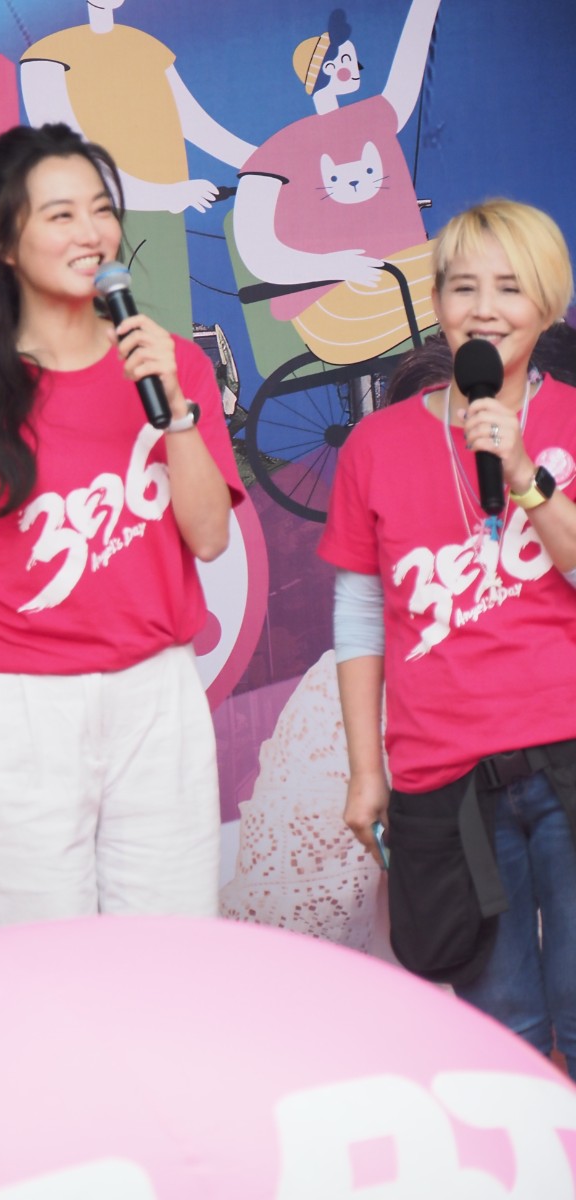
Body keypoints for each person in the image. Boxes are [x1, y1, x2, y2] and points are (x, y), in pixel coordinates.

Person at [0, 123, 244, 929]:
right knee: (37, 968)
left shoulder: (173, 365)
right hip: (21, 709)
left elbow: (209, 538)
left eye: (100, 209)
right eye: (60, 215)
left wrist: (176, 412)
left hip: (157, 696)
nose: (91, 232)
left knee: (173, 958)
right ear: (1, 244)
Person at [321, 198, 576, 1075]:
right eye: (464, 287)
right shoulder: (375, 446)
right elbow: (360, 616)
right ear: (437, 303)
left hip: (568, 755)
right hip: (447, 777)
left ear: (548, 305)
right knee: (500, 1032)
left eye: (510, 287)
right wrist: (366, 771)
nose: (485, 309)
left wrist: (523, 473)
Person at [20, 0, 255, 335]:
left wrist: (273, 161)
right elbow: (73, 156)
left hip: (162, 218)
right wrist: (163, 194)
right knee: (104, 333)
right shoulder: (47, 57)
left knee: (168, 332)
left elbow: (196, 125)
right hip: (95, 221)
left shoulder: (148, 48)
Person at [233, 0, 441, 366]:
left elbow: (405, 79)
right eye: (350, 62)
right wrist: (338, 267)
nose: (357, 69)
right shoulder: (276, 152)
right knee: (475, 262)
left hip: (394, 280)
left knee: (478, 253)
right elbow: (258, 252)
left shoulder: (372, 116)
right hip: (337, 311)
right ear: (329, 69)